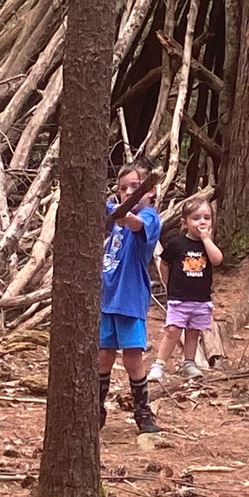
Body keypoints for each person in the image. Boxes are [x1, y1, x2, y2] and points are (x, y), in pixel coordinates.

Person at [99, 162, 162, 433]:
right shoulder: (116, 218)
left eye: (136, 187)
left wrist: (118, 211)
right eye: (123, 189)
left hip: (130, 297)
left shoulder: (149, 217)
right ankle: (95, 408)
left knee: (132, 357)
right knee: (103, 355)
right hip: (106, 298)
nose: (128, 193)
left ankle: (143, 411)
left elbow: (133, 223)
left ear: (152, 191)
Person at [147, 198, 223, 382]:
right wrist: (167, 282)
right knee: (173, 330)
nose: (202, 222)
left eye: (207, 218)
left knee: (193, 331)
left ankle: (189, 363)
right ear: (185, 223)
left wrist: (206, 239)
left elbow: (217, 260)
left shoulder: (208, 245)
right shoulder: (177, 244)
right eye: (196, 218)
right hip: (179, 297)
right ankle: (159, 364)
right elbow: (164, 262)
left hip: (201, 298)